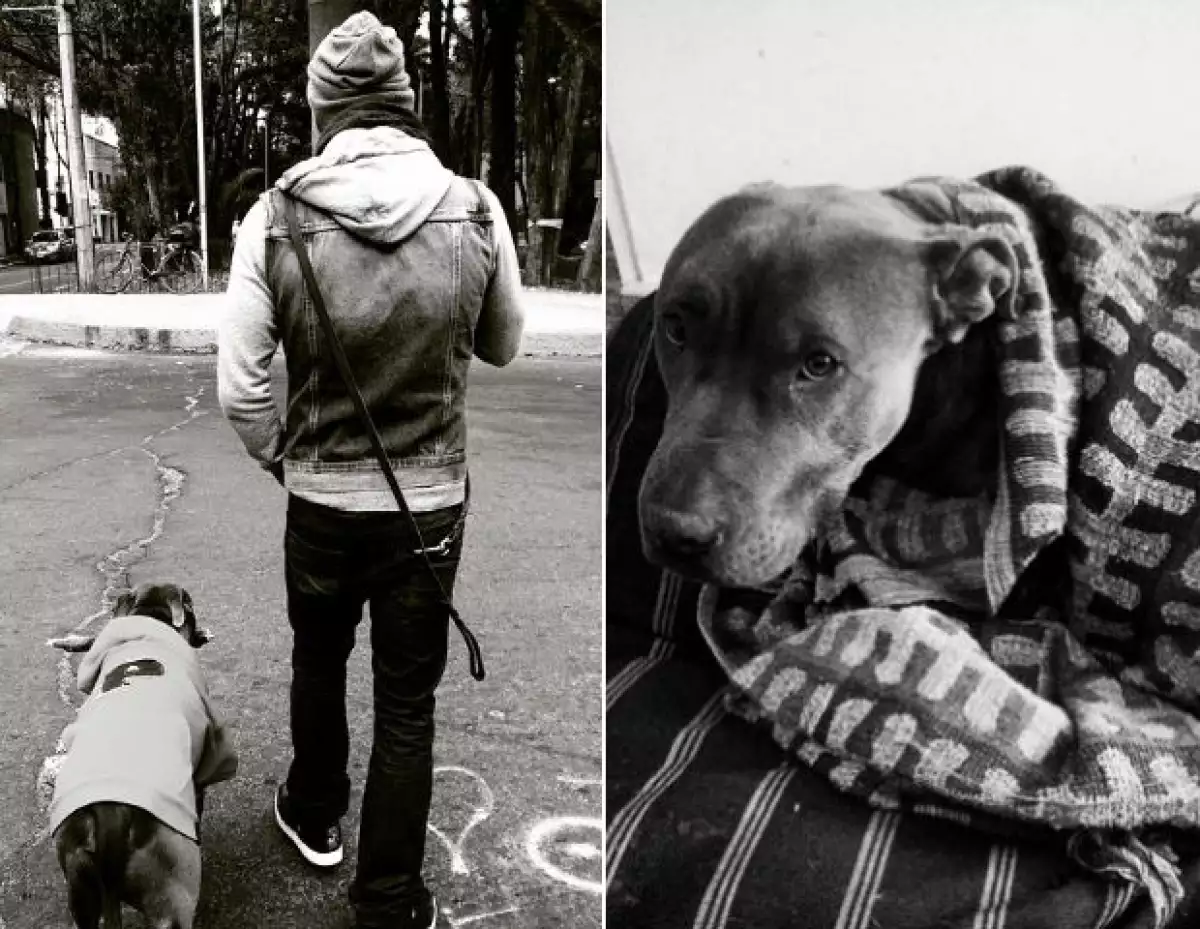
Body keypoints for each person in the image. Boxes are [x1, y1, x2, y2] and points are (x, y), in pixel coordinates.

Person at [216, 11, 524, 929]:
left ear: (323, 114)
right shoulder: (475, 207)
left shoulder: (273, 217)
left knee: (319, 654)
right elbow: (504, 343)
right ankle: (390, 898)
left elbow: (239, 389)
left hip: (318, 496)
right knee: (406, 694)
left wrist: (288, 459)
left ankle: (313, 812)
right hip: (429, 502)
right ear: (407, 107)